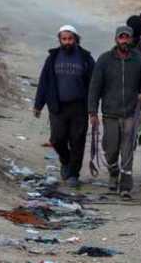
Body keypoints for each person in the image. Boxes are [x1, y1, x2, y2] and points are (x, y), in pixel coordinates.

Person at [88, 26, 141, 199]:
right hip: (110, 112)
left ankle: (125, 186)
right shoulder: (104, 60)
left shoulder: (139, 60)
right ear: (116, 39)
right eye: (121, 37)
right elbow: (94, 87)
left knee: (127, 149)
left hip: (131, 112)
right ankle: (113, 173)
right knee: (110, 149)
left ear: (131, 39)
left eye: (127, 37)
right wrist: (92, 111)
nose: (124, 40)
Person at [33, 25, 95, 187]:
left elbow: (94, 83)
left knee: (77, 140)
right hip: (58, 106)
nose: (67, 42)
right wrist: (38, 105)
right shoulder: (53, 58)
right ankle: (65, 161)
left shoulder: (85, 58)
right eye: (64, 39)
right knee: (57, 139)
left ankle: (73, 173)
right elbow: (44, 82)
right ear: (60, 40)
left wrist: (93, 107)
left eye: (70, 39)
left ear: (76, 39)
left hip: (79, 107)